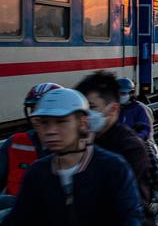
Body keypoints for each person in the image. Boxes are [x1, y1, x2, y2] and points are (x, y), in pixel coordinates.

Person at [2, 88, 144, 226]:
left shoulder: (113, 169)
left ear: (82, 123)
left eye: (61, 121)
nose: (51, 131)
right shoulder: (37, 173)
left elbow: (130, 218)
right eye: (44, 122)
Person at [74, 72, 155, 224]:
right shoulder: (82, 140)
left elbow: (127, 206)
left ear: (112, 109)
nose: (86, 114)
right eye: (83, 108)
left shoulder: (129, 148)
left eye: (91, 107)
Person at [0, 83, 61, 199]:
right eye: (33, 110)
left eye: (44, 110)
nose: (37, 116)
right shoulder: (15, 143)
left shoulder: (75, 149)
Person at [117, 78, 158, 203]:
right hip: (119, 143)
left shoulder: (139, 109)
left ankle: (157, 188)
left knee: (151, 158)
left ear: (131, 93)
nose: (121, 97)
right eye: (119, 94)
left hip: (138, 142)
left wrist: (138, 138)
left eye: (124, 93)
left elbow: (145, 128)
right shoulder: (115, 109)